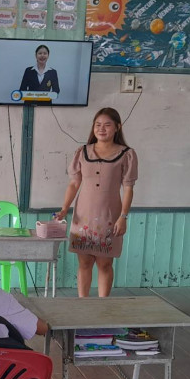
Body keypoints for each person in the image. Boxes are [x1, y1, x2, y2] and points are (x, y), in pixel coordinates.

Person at [54, 107, 138, 297]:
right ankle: (83, 304)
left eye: (107, 125)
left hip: (110, 216)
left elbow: (128, 188)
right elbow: (74, 183)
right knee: (84, 263)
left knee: (105, 263)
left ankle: (102, 307)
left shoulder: (127, 154)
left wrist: (123, 217)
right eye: (98, 125)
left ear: (117, 127)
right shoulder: (82, 152)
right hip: (83, 216)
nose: (101, 129)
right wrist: (64, 209)